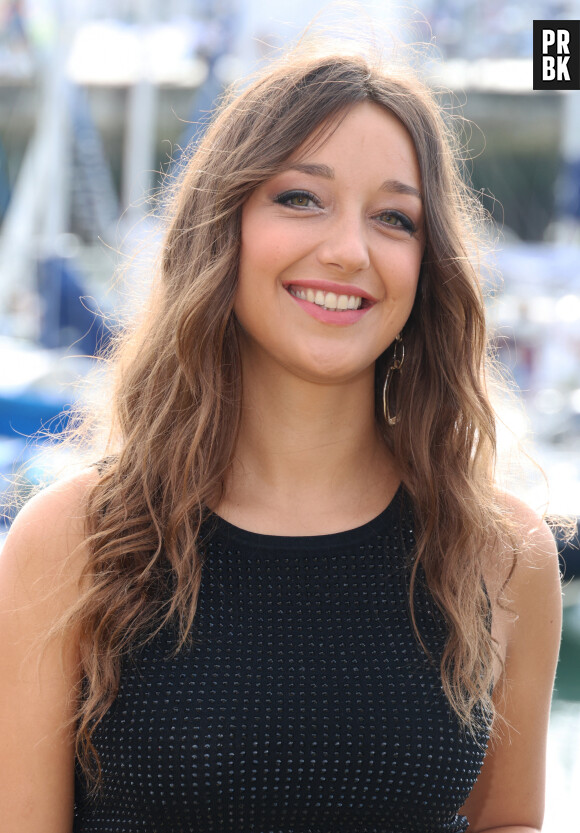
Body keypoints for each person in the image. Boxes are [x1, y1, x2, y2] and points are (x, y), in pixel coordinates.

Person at [0, 41, 562, 833]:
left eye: (394, 218)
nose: (347, 250)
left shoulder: (503, 554)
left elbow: (508, 821)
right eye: (301, 198)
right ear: (220, 227)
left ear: (427, 266)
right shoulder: (73, 541)